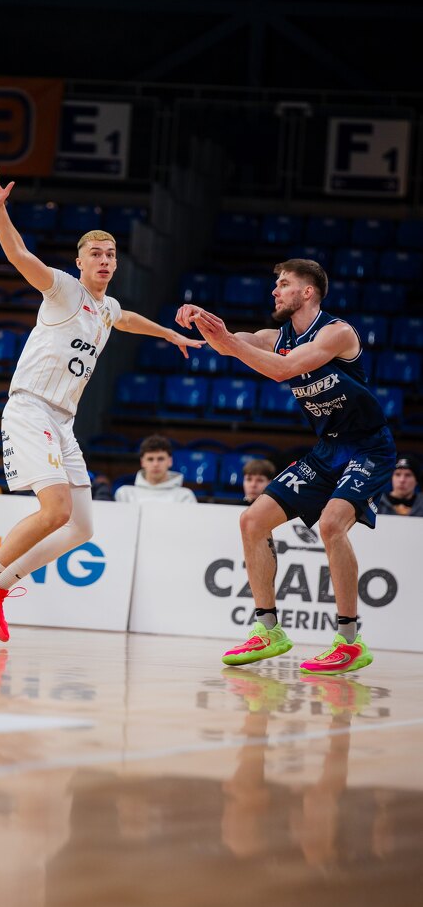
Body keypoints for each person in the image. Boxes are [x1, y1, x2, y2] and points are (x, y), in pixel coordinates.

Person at [0, 161, 199, 642]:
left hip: (63, 421)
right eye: (95, 254)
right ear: (80, 262)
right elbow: (19, 255)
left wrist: (169, 334)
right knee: (55, 511)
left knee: (81, 527)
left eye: (110, 255)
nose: (104, 260)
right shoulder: (64, 289)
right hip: (31, 407)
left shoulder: (106, 307)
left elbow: (125, 318)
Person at [177, 257, 396, 675]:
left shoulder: (337, 332)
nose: (275, 290)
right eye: (276, 284)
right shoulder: (274, 336)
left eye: (283, 284)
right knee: (252, 521)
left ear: (307, 292)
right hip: (328, 449)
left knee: (332, 524)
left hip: (368, 448)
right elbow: (231, 342)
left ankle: (350, 641)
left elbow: (283, 370)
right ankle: (267, 630)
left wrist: (229, 342)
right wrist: (202, 321)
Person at [114, 434, 197, 504]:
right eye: (150, 459)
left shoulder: (184, 496)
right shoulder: (125, 494)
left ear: (170, 461)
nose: (155, 464)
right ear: (142, 462)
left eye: (160, 459)